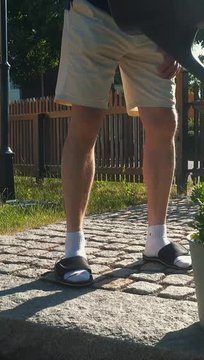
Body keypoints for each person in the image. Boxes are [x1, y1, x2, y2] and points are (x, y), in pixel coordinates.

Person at [52, 0, 192, 286]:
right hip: (93, 13)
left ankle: (157, 239)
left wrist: (178, 37)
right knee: (86, 122)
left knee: (164, 123)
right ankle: (73, 248)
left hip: (152, 25)